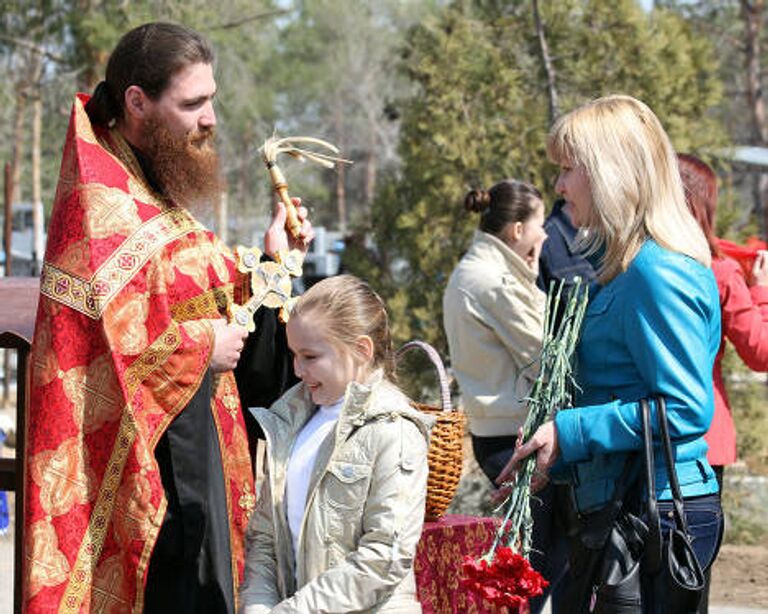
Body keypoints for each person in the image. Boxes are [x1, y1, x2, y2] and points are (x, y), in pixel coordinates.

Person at [23, 22, 312, 614]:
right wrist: (204, 344)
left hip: (194, 445)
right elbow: (103, 343)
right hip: (146, 476)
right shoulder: (101, 202)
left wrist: (270, 262)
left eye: (212, 100)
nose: (210, 119)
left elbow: (187, 284)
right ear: (137, 102)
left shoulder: (145, 178)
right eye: (193, 103)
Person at [500, 95, 724, 611]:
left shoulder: (654, 273)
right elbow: (624, 388)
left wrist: (571, 432)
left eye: (568, 169)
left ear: (610, 173)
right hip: (629, 503)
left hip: (652, 514)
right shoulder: (625, 267)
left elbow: (686, 409)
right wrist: (553, 447)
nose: (558, 186)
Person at [240, 274, 432, 613]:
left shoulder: (393, 429)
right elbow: (266, 539)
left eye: (310, 357)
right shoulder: (289, 420)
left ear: (361, 350)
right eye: (294, 355)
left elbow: (384, 555)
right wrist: (258, 606)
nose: (297, 369)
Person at [442, 180, 569, 613]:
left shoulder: (476, 271)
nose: (546, 236)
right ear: (516, 230)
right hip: (517, 439)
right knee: (537, 572)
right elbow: (546, 361)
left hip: (494, 431)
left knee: (533, 567)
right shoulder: (496, 283)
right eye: (539, 225)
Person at [678, 153, 768, 612]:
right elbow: (761, 352)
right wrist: (761, 291)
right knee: (693, 570)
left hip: (642, 432)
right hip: (706, 438)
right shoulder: (719, 272)